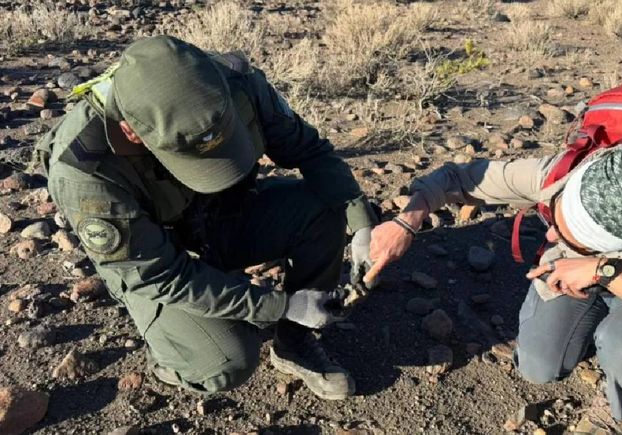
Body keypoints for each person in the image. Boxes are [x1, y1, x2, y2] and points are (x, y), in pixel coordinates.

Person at [35, 36, 379, 399]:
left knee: (325, 207)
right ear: (131, 133)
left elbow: (309, 150)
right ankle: (172, 355)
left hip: (223, 217)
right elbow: (158, 274)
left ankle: (293, 343)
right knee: (224, 364)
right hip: (160, 256)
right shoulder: (83, 170)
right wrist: (283, 305)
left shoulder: (232, 81)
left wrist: (362, 225)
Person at [367, 145, 622, 434]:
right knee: (539, 367)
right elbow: (457, 177)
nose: (550, 236)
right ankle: (584, 337)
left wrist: (606, 270)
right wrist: (407, 221)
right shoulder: (562, 173)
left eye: (570, 238)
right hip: (573, 275)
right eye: (555, 216)